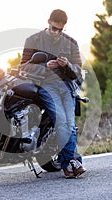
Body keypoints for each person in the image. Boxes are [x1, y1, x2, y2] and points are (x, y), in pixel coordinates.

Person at [20, 9, 86, 178]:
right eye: (54, 28)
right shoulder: (33, 40)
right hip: (46, 87)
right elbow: (24, 67)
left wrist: (67, 65)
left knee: (70, 124)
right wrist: (44, 67)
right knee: (62, 121)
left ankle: (71, 161)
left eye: (60, 30)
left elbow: (78, 71)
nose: (57, 33)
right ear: (48, 22)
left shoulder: (71, 43)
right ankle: (71, 163)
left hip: (66, 87)